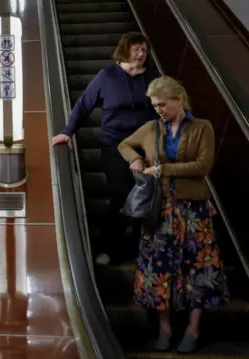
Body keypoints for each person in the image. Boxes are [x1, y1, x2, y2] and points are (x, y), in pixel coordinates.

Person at [117, 76, 228, 353]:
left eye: (163, 104)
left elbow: (202, 166)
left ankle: (193, 329)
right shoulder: (151, 128)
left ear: (179, 100)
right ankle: (165, 327)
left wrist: (163, 170)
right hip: (161, 208)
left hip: (194, 209)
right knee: (159, 268)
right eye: (154, 105)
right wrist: (136, 158)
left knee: (199, 268)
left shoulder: (202, 128)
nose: (158, 110)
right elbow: (124, 144)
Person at [50, 32, 161, 265]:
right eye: (136, 49)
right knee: (122, 193)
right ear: (125, 50)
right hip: (114, 143)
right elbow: (84, 105)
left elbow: (169, 104)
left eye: (144, 50)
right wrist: (68, 131)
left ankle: (138, 249)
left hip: (147, 144)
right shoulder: (107, 76)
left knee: (147, 194)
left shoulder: (153, 77)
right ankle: (109, 247)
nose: (141, 54)